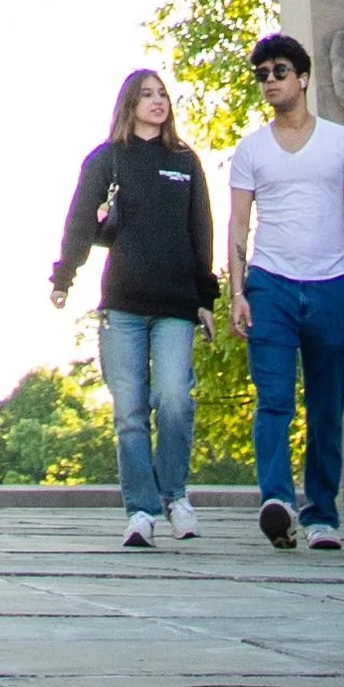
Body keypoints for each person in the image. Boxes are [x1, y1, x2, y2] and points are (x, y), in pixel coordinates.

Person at [50, 67, 216, 547]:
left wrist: (206, 298)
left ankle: (175, 497)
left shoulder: (185, 161)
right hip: (123, 304)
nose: (158, 101)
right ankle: (140, 511)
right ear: (130, 104)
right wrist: (64, 276)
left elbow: (200, 231)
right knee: (129, 412)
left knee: (174, 398)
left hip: (176, 305)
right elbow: (81, 219)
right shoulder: (108, 159)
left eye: (162, 93)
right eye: (147, 94)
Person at [228, 31, 344, 551]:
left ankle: (322, 517)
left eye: (280, 71)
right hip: (270, 285)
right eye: (262, 74)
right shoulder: (251, 150)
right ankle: (276, 500)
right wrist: (238, 291)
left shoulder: (342, 142)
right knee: (273, 401)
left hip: (330, 286)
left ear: (303, 78)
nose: (270, 81)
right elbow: (239, 225)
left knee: (326, 405)